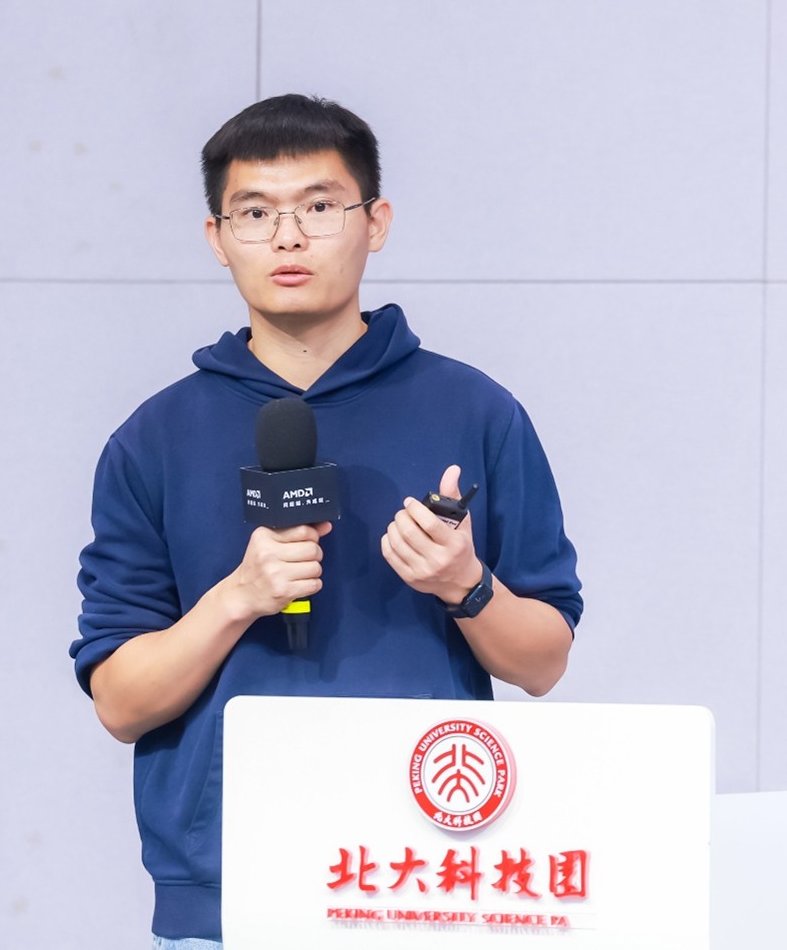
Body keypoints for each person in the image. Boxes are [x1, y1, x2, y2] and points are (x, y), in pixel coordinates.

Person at [71, 94, 582, 948]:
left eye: (318, 207)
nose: (288, 238)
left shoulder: (475, 412)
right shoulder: (152, 439)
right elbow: (120, 704)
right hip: (226, 902)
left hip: (422, 884)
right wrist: (235, 596)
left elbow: (544, 660)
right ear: (217, 237)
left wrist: (465, 583)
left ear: (375, 222)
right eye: (255, 213)